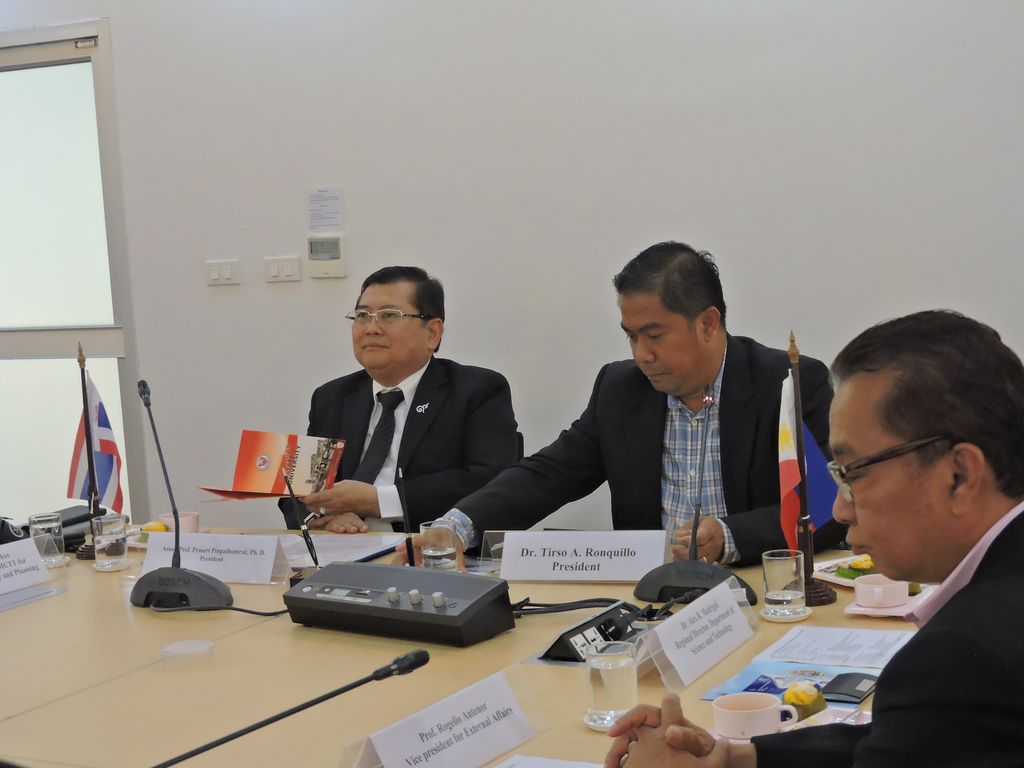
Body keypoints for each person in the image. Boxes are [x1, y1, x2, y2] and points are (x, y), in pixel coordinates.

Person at [604, 310, 1024, 767]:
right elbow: (911, 739)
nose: (840, 510)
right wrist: (732, 759)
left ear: (959, 475)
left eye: (854, 474)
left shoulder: (963, 657)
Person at [431, 241, 844, 566]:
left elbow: (828, 507)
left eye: (655, 335)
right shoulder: (621, 390)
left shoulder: (787, 383)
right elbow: (549, 474)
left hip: (762, 589)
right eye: (631, 336)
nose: (641, 354)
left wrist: (728, 537)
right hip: (655, 601)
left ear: (707, 323)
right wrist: (458, 526)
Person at [279, 266, 520, 532]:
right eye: (362, 316)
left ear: (432, 333)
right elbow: (296, 491)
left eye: (389, 315)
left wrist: (380, 501)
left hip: (428, 547)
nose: (371, 328)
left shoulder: (477, 390)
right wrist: (326, 518)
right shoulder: (332, 397)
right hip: (342, 546)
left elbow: (491, 482)